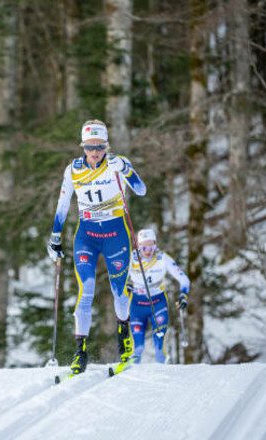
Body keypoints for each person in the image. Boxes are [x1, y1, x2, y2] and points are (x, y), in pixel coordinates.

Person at [47, 119, 147, 376]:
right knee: (86, 289)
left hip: (116, 234)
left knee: (119, 292)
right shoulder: (73, 170)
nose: (95, 152)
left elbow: (141, 189)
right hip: (87, 235)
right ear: (83, 147)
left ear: (107, 146)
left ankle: (125, 345)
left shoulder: (116, 164)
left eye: (100, 147)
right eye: (90, 147)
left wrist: (126, 169)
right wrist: (55, 237)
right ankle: (81, 353)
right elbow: (62, 203)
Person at [127, 228, 190, 364]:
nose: (148, 251)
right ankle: (131, 378)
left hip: (158, 304)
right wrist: (126, 285)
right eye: (144, 248)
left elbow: (184, 279)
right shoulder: (131, 258)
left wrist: (183, 294)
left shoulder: (163, 258)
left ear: (155, 244)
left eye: (151, 246)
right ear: (138, 246)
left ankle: (163, 378)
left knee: (159, 348)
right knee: (137, 349)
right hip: (137, 307)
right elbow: (119, 280)